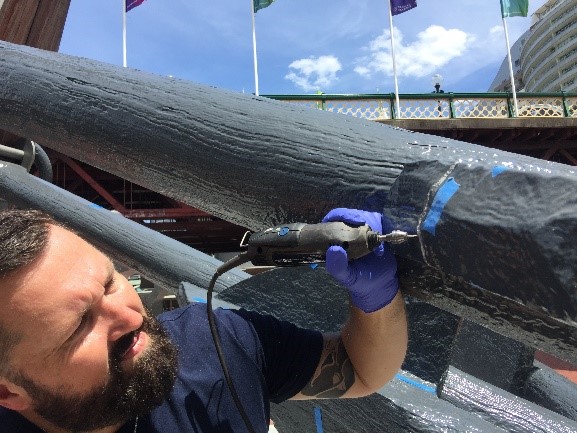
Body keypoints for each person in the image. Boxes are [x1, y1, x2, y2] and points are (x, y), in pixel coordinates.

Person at [0, 207, 408, 433]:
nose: (129, 316)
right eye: (78, 326)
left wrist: (375, 299)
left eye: (111, 282)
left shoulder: (215, 342)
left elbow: (359, 369)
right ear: (9, 392)